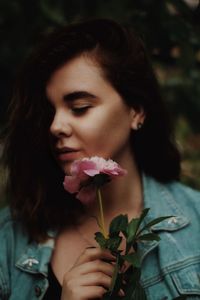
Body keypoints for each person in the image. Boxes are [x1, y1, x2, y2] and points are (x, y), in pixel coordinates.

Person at [0, 18, 199, 300]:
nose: (55, 126)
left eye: (79, 107)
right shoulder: (8, 239)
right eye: (50, 111)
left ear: (136, 111)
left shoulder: (196, 222)